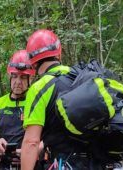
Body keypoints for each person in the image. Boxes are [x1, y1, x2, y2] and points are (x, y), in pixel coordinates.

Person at [21, 29, 107, 170]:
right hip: (98, 161)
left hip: (65, 163)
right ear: (58, 53)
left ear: (33, 63)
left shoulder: (39, 89)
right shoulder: (82, 75)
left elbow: (31, 142)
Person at [0, 50, 35, 170]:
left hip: (33, 163)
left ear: (31, 79)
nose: (18, 82)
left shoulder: (36, 102)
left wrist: (32, 150)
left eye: (23, 77)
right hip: (6, 165)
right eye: (14, 76)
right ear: (9, 77)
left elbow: (47, 137)